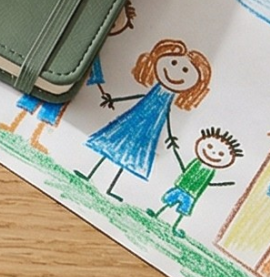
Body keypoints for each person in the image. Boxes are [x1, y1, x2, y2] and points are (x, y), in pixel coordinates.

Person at [77, 39, 216, 198]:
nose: (175, 72)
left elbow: (166, 115)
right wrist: (114, 100)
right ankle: (89, 174)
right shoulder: (155, 92)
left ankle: (109, 188)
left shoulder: (167, 102)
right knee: (112, 142)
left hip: (151, 127)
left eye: (185, 70)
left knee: (131, 154)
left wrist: (170, 135)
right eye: (173, 63)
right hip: (134, 118)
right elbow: (139, 97)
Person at [154, 126, 242, 227]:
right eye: (209, 146)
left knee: (183, 210)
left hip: (192, 194)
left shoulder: (211, 171)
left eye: (221, 154)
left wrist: (224, 183)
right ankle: (157, 214)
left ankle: (174, 226)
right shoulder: (196, 162)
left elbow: (207, 182)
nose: (213, 153)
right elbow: (185, 169)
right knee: (168, 201)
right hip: (181, 186)